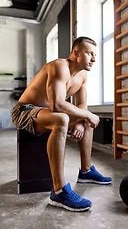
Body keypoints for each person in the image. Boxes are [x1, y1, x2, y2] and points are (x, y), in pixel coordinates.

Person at [12, 36, 112, 212]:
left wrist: (81, 121)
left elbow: (81, 105)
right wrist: (85, 115)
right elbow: (57, 104)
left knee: (88, 120)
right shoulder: (60, 67)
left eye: (95, 55)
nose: (94, 59)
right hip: (25, 111)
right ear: (76, 53)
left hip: (46, 112)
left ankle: (86, 171)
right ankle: (59, 191)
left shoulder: (82, 76)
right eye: (90, 54)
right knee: (63, 118)